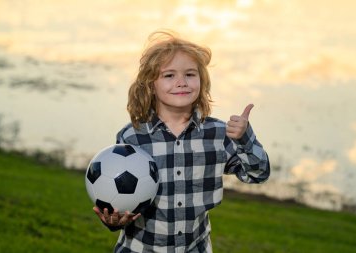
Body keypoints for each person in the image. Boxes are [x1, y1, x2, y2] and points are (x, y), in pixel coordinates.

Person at [93, 30, 270, 253]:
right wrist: (114, 220)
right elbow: (119, 200)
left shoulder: (218, 134)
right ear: (151, 85)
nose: (181, 82)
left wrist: (245, 139)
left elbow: (258, 174)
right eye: (169, 75)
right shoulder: (132, 138)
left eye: (190, 74)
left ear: (202, 81)